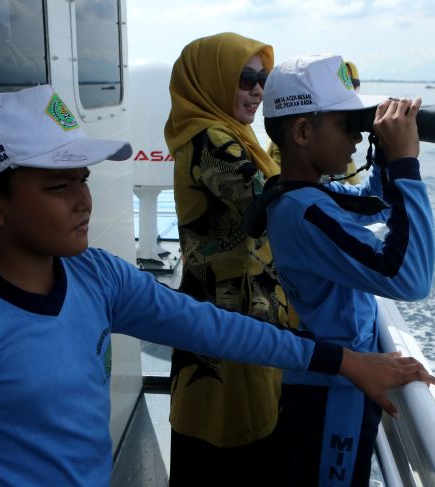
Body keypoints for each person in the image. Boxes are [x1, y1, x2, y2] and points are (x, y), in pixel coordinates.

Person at [0, 84, 435, 486]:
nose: (84, 200)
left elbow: (211, 327)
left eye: (83, 179)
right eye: (59, 186)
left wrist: (346, 362)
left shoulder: (98, 278)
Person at [249, 54, 435, 486]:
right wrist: (406, 167)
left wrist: (391, 156)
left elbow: (369, 201)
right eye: (346, 124)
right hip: (330, 395)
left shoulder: (302, 193)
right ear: (302, 131)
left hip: (338, 377)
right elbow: (408, 279)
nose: (357, 136)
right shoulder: (305, 211)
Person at [162, 32, 290, 485]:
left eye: (265, 79)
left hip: (230, 314)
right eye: (246, 78)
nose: (258, 90)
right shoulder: (211, 139)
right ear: (213, 80)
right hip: (226, 319)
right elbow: (271, 198)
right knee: (226, 442)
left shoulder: (232, 134)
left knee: (224, 429)